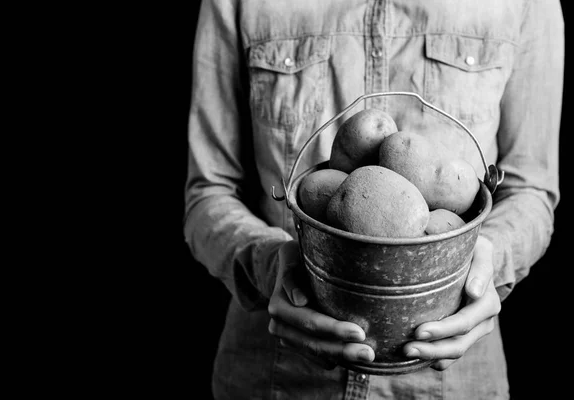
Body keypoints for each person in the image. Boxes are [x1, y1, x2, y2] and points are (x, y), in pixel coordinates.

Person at [183, 0, 564, 398]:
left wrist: (487, 264)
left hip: (455, 384)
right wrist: (265, 263)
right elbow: (208, 192)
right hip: (274, 376)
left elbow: (531, 189)